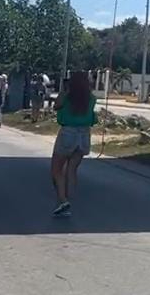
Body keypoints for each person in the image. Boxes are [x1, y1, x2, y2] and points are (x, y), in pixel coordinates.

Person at [50, 72, 97, 217]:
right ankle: (68, 200)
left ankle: (63, 200)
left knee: (56, 170)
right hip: (84, 134)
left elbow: (56, 106)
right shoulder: (91, 98)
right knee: (72, 169)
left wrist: (63, 92)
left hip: (68, 133)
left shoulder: (66, 96)